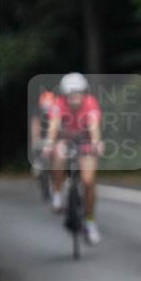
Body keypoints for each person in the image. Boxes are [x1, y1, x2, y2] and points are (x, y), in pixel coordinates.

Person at [43, 73, 104, 245]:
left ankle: (90, 222)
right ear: (65, 95)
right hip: (65, 140)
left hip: (85, 142)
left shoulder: (90, 103)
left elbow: (93, 126)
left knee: (88, 182)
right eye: (71, 94)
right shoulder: (58, 104)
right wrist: (49, 143)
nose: (74, 98)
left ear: (83, 93)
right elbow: (54, 125)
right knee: (59, 153)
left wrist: (96, 142)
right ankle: (56, 192)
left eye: (78, 93)